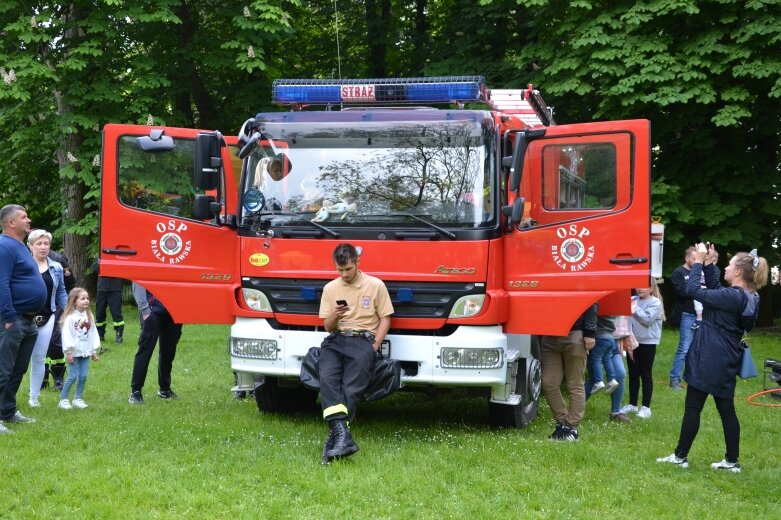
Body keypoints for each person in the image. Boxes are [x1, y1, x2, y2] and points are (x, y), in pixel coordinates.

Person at [657, 244, 768, 473]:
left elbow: (694, 291)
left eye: (729, 264)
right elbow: (716, 288)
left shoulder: (732, 296)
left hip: (711, 356)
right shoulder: (747, 296)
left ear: (738, 272)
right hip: (726, 356)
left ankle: (680, 457)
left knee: (693, 407)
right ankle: (731, 461)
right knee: (726, 409)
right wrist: (708, 264)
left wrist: (697, 262)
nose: (725, 267)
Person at [317, 243, 393, 463]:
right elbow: (327, 326)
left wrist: (374, 346)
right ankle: (341, 438)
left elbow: (386, 318)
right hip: (336, 339)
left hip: (363, 340)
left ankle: (334, 440)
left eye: (348, 269)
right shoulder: (331, 288)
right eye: (339, 270)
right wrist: (336, 315)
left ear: (358, 263)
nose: (344, 274)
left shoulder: (375, 285)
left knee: (351, 388)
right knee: (327, 379)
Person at [0, 204, 47, 434]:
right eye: (24, 217)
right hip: (13, 319)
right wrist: (8, 317)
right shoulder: (4, 247)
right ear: (10, 223)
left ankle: (7, 412)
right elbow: (2, 283)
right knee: (3, 368)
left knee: (18, 370)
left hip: (28, 321)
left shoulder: (19, 246)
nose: (28, 220)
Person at [540, 304, 597, 441]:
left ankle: (571, 427)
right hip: (549, 335)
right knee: (548, 383)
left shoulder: (579, 281)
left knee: (575, 383)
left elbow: (590, 302)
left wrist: (590, 333)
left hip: (574, 333)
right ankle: (563, 423)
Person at [26, 229, 68, 408]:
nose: (43, 247)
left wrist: (71, 313)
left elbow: (61, 293)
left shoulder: (57, 268)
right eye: (39, 244)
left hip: (47, 316)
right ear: (30, 246)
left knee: (39, 358)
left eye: (46, 244)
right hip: (24, 317)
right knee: (16, 361)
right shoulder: (22, 266)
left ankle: (33, 397)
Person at [128, 283, 183, 404]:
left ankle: (164, 389)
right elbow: (138, 280)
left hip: (174, 312)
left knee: (169, 352)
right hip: (153, 312)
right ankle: (135, 392)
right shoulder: (148, 263)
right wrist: (145, 310)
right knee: (145, 350)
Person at [622, 280, 664, 419]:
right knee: (633, 373)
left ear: (651, 288)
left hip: (647, 342)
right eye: (637, 285)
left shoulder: (655, 302)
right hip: (632, 342)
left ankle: (646, 407)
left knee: (645, 374)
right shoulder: (633, 300)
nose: (639, 288)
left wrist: (633, 307)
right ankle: (633, 404)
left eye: (643, 286)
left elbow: (647, 319)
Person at [58, 288, 100, 410]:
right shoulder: (70, 318)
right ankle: (64, 399)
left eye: (87, 298)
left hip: (85, 352)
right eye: (83, 298)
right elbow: (67, 335)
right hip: (73, 353)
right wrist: (69, 352)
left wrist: (93, 351)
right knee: (72, 376)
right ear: (74, 301)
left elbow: (93, 334)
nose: (86, 301)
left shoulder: (89, 316)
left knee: (83, 376)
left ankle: (78, 398)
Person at [585, 316, 629, 423]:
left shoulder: (611, 303)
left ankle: (616, 413)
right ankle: (573, 411)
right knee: (593, 378)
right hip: (593, 341)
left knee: (620, 373)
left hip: (609, 340)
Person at [43, 250, 76, 391]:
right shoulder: (25, 259)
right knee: (38, 343)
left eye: (44, 243)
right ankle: (42, 377)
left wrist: (66, 306)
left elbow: (69, 283)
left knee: (55, 341)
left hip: (56, 303)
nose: (42, 247)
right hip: (35, 305)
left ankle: (58, 377)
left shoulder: (57, 260)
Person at [669, 247, 696, 390]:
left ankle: (693, 379)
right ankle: (674, 378)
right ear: (687, 258)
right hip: (687, 314)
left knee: (697, 349)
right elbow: (681, 292)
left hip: (701, 315)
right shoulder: (679, 273)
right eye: (693, 259)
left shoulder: (699, 272)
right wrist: (696, 291)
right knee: (684, 348)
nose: (696, 262)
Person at [93, 260, 125, 344]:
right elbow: (95, 268)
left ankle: (119, 335)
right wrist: (101, 263)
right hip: (101, 289)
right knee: (99, 313)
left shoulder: (118, 258)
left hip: (115, 289)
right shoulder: (100, 257)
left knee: (116, 314)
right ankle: (100, 335)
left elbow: (122, 269)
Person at [586, 315, 619, 396]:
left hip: (600, 337)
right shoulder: (613, 308)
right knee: (607, 359)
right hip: (611, 338)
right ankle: (611, 380)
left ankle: (598, 381)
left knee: (595, 358)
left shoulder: (601, 307)